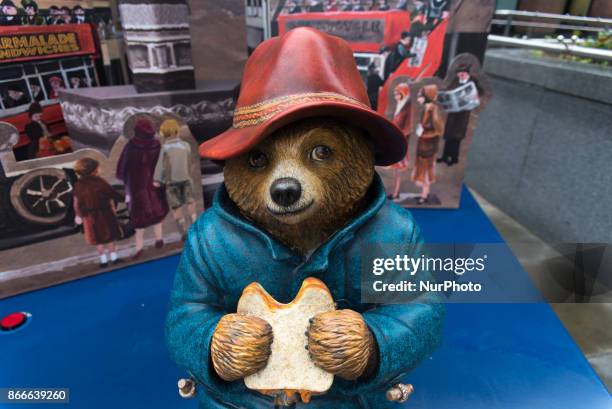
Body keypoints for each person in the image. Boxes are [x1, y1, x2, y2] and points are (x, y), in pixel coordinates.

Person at [116, 118, 169, 260]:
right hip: (154, 186)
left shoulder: (131, 146)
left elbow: (123, 166)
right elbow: (162, 165)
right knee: (157, 213)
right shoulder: (156, 145)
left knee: (138, 218)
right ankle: (159, 239)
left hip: (136, 187)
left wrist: (122, 178)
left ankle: (139, 248)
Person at [73, 158, 124, 268]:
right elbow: (112, 193)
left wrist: (78, 215)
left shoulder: (78, 185)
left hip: (89, 217)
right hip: (104, 213)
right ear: (94, 170)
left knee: (97, 240)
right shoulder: (99, 181)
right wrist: (124, 198)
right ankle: (114, 258)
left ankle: (103, 261)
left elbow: (77, 202)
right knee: (110, 237)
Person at [153, 119, 197, 241]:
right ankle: (194, 225)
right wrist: (188, 173)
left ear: (164, 134)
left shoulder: (165, 148)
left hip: (171, 182)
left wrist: (157, 180)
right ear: (177, 131)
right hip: (186, 179)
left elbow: (160, 166)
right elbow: (190, 162)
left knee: (176, 206)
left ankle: (183, 231)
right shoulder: (186, 146)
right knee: (190, 202)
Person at [438, 62, 484, 166]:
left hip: (463, 113)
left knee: (456, 137)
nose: (461, 75)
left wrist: (473, 96)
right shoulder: (455, 80)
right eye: (459, 73)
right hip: (453, 113)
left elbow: (480, 91)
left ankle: (454, 158)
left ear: (467, 73)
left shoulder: (472, 81)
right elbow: (448, 90)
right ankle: (445, 156)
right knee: (448, 135)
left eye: (463, 73)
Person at [411, 84, 444, 204]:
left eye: (420, 95)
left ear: (427, 96)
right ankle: (423, 194)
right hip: (423, 147)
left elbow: (438, 130)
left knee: (426, 173)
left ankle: (424, 196)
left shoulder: (433, 109)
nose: (418, 98)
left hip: (428, 149)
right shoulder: (426, 108)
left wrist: (424, 134)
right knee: (422, 171)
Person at [386, 83, 412, 200]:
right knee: (395, 171)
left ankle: (396, 193)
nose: (396, 96)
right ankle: (395, 192)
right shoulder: (399, 105)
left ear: (403, 94)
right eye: (395, 94)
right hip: (396, 141)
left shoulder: (407, 108)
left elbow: (408, 127)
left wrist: (399, 136)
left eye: (398, 94)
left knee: (398, 172)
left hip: (402, 142)